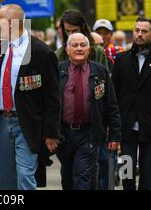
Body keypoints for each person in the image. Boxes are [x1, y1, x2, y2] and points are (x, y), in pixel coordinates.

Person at [0, 4, 61, 190]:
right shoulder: (1, 50)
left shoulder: (42, 52)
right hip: (0, 122)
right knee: (6, 180)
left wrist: (51, 132)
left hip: (27, 124)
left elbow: (53, 97)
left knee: (25, 175)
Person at [112, 16, 151, 190]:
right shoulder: (121, 59)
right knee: (127, 170)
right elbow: (114, 93)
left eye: (144, 31)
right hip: (126, 124)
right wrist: (112, 122)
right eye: (137, 30)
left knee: (147, 169)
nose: (139, 34)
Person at [56, 33, 121, 190]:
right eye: (75, 45)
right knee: (68, 177)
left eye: (83, 45)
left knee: (83, 175)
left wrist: (115, 135)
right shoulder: (58, 71)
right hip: (64, 134)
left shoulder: (100, 72)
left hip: (89, 133)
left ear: (89, 49)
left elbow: (111, 105)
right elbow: (48, 104)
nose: (79, 48)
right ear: (67, 49)